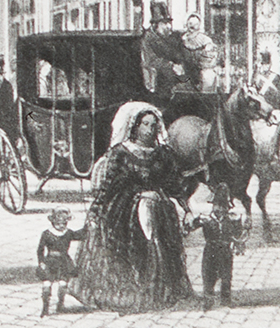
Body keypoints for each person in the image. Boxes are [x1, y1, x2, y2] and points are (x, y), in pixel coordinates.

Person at [75, 102, 192, 312]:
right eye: (145, 124)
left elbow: (174, 183)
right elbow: (110, 185)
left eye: (153, 125)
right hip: (125, 207)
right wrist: (97, 210)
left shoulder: (163, 153)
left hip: (158, 206)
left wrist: (186, 207)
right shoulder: (121, 152)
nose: (149, 129)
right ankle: (131, 294)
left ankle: (157, 292)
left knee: (159, 242)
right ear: (135, 126)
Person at [189, 182, 240, 310]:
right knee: (208, 274)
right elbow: (190, 227)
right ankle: (208, 300)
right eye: (217, 206)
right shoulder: (206, 219)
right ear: (213, 206)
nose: (220, 209)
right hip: (210, 249)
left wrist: (238, 226)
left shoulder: (231, 219)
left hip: (225, 249)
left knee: (226, 275)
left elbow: (237, 234)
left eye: (223, 207)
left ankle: (225, 299)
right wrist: (195, 220)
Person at [36, 207, 85, 315]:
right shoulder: (47, 234)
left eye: (64, 223)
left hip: (63, 261)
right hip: (50, 261)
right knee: (47, 284)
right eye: (58, 223)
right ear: (53, 222)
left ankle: (60, 304)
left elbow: (79, 235)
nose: (61, 226)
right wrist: (41, 262)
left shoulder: (68, 233)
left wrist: (88, 226)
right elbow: (40, 250)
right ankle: (45, 307)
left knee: (63, 284)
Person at [140, 2, 192, 96]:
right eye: (164, 23)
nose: (168, 26)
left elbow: (181, 55)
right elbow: (150, 61)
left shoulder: (173, 36)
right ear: (155, 25)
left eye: (169, 23)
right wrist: (171, 66)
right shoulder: (148, 39)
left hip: (176, 77)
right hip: (156, 79)